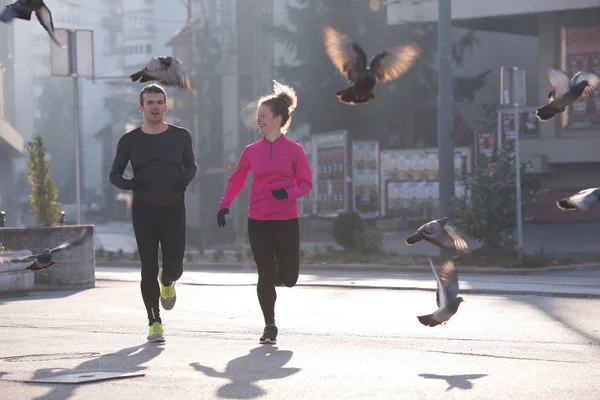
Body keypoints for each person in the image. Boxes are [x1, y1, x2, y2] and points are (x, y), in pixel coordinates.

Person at [216, 80, 313, 345]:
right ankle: (269, 325)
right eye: (257, 116)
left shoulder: (295, 151)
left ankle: (282, 274)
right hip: (258, 220)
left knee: (289, 278)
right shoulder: (251, 151)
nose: (258, 120)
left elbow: (306, 184)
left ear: (278, 119)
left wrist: (288, 194)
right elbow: (236, 179)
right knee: (264, 274)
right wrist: (224, 205)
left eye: (263, 116)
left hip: (286, 220)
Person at [109, 84, 197, 343]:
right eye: (150, 102)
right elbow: (114, 174)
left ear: (166, 107)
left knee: (174, 267)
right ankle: (154, 322)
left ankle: (167, 281)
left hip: (174, 211)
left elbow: (191, 165)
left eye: (159, 102)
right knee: (147, 268)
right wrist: (130, 184)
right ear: (141, 107)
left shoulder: (181, 136)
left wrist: (184, 181)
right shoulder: (130, 140)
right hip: (144, 211)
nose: (155, 106)